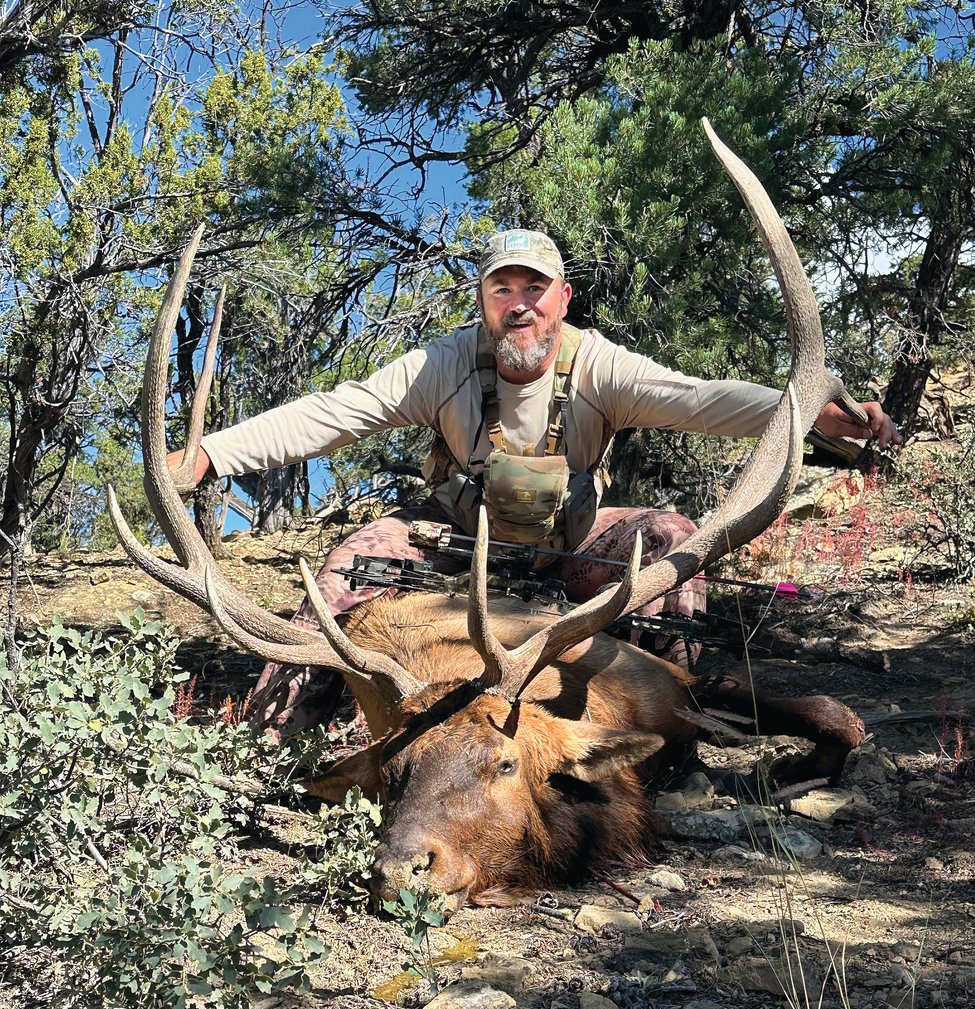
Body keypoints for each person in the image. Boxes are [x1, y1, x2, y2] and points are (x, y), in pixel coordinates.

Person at [169, 230, 900, 734]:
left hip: (570, 545)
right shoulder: (441, 365)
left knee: (670, 540)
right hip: (451, 539)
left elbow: (700, 400)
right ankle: (274, 738)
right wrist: (208, 456)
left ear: (563, 297)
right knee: (344, 572)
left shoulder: (599, 365)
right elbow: (334, 414)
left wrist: (816, 416)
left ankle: (666, 732)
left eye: (534, 287)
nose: (519, 302)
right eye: (502, 288)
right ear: (482, 300)